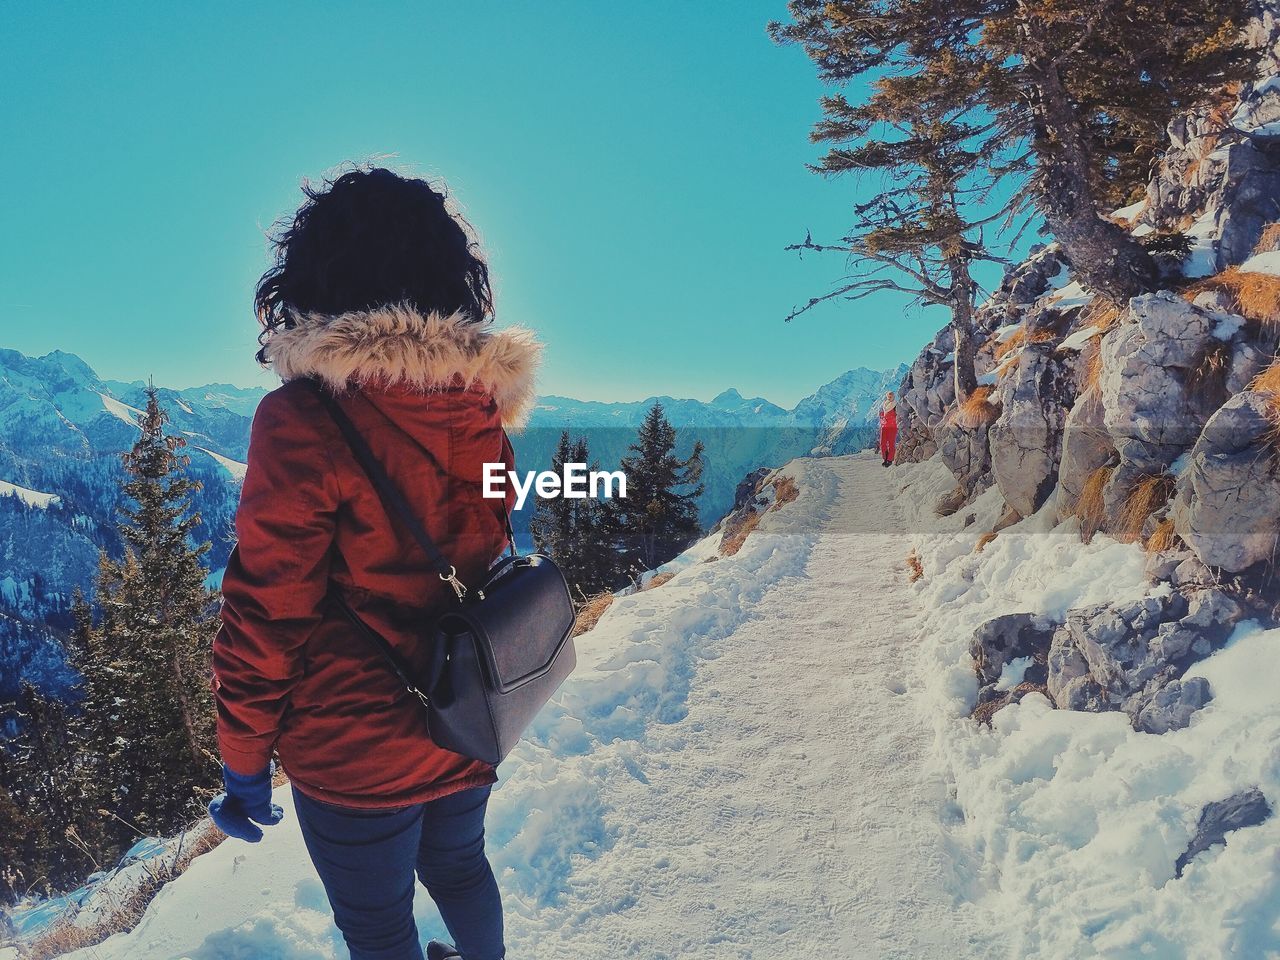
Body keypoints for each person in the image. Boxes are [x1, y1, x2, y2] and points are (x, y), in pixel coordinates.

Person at [207, 167, 540, 960]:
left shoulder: (303, 417)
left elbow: (266, 609)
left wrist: (245, 757)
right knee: (461, 867)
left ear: (313, 277)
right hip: (467, 712)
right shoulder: (479, 405)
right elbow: (490, 545)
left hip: (354, 744)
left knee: (379, 925)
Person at [879, 391, 898, 467]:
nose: (890, 397)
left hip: (892, 427)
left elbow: (898, 416)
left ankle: (889, 460)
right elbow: (881, 415)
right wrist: (882, 420)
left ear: (894, 397)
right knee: (882, 443)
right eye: (889, 396)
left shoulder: (896, 405)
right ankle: (885, 458)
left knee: (891, 444)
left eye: (891, 396)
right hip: (884, 427)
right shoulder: (885, 405)